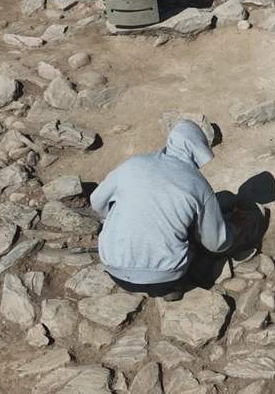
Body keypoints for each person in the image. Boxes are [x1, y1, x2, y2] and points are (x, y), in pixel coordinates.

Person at [90, 120, 232, 300]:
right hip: (165, 278)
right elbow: (216, 243)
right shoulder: (199, 184)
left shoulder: (132, 164)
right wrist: (231, 234)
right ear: (197, 152)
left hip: (113, 268)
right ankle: (171, 288)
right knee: (194, 239)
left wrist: (112, 220)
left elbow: (96, 201)